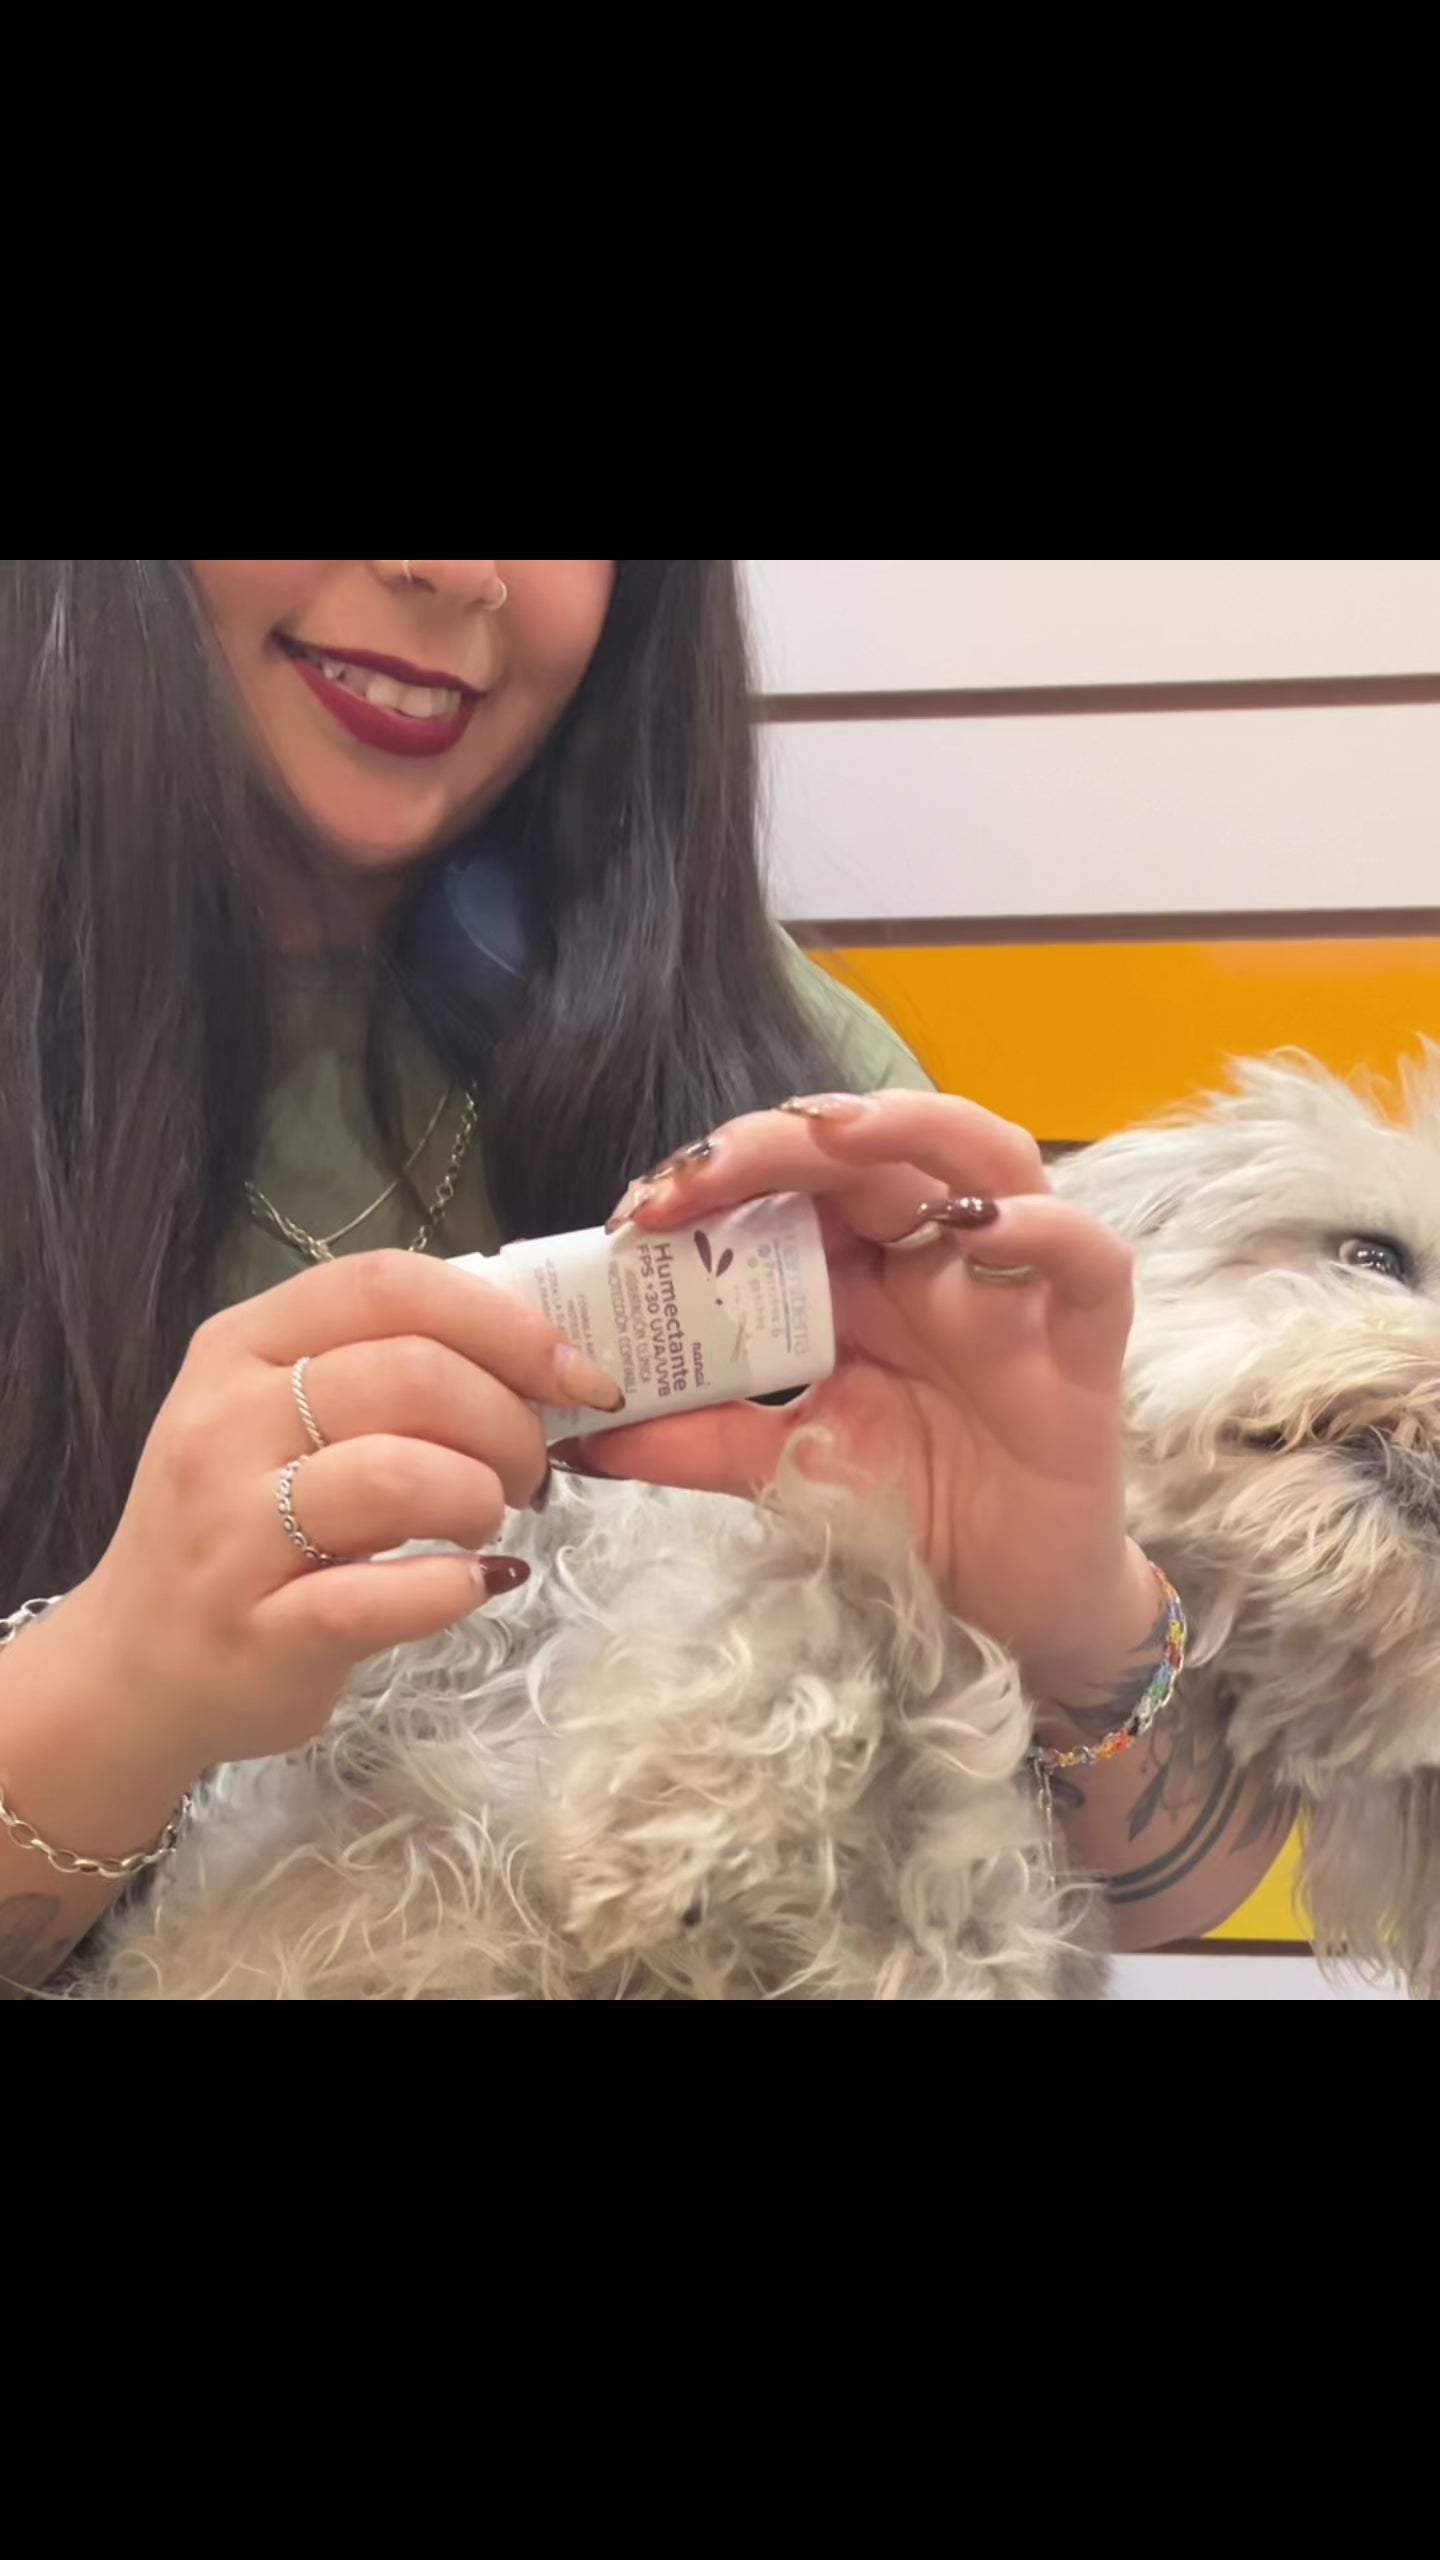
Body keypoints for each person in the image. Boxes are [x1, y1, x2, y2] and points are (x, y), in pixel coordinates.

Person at [0, 560, 1288, 1997]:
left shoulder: (791, 1097)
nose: (453, 571)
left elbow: (1163, 1895)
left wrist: (1063, 1605)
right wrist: (113, 1691)